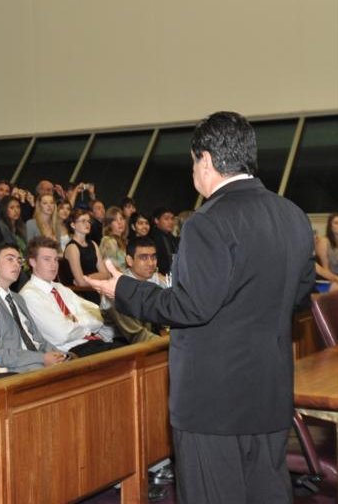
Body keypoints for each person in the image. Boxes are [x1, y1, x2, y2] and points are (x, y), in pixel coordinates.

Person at [88, 111, 316, 504]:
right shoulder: (292, 216)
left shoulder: (207, 222)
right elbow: (299, 295)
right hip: (269, 394)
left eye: (194, 161)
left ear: (206, 160)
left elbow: (189, 307)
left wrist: (124, 288)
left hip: (213, 406)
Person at [19, 236, 121, 357]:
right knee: (127, 354)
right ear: (32, 262)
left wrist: (76, 321)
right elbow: (61, 334)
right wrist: (85, 326)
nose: (53, 265)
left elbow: (97, 314)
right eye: (47, 259)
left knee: (133, 344)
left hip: (94, 342)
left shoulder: (60, 288)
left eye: (56, 259)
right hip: (71, 352)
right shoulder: (29, 295)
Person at [0, 244, 67, 373]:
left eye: (19, 260)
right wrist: (42, 358)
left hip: (40, 359)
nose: (16, 264)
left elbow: (38, 339)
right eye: (10, 259)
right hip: (19, 367)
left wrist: (60, 354)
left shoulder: (18, 298)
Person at [103, 237, 167, 344]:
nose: (151, 263)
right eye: (144, 258)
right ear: (130, 260)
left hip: (148, 340)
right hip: (118, 346)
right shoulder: (117, 289)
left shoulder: (153, 279)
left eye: (153, 257)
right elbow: (137, 336)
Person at [62, 208, 110, 288]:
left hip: (95, 290)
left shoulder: (93, 244)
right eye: (83, 221)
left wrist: (88, 278)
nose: (87, 224)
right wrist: (98, 277)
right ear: (73, 225)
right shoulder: (72, 248)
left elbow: (106, 274)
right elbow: (81, 283)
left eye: (88, 221)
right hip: (81, 294)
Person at [148, 207, 178, 275]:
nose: (170, 222)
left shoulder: (172, 238)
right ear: (156, 220)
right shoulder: (151, 238)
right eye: (166, 219)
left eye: (172, 219)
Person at [99, 206, 128, 272]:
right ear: (109, 224)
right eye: (115, 220)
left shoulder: (124, 241)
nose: (120, 222)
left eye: (121, 219)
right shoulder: (108, 241)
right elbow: (110, 268)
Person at [315, 213, 338, 289]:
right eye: (336, 223)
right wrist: (336, 279)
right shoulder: (324, 242)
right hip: (327, 280)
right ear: (330, 226)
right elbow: (325, 270)